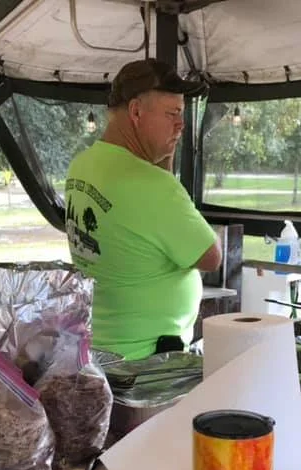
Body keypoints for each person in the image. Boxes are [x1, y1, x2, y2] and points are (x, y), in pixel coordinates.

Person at [65, 59, 222, 360]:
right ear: (136, 111)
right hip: (147, 363)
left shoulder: (81, 167)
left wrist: (162, 165)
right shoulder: (152, 186)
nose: (181, 125)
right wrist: (163, 178)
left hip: (97, 347)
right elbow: (211, 256)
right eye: (172, 114)